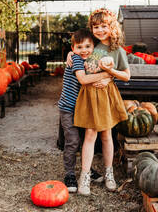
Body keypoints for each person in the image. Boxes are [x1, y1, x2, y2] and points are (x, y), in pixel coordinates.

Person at [74, 8, 131, 196]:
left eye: (104, 26)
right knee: (90, 135)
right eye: (96, 27)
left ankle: (109, 173)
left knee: (107, 135)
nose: (99, 30)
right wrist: (70, 55)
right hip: (90, 95)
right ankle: (84, 176)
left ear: (111, 27)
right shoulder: (90, 45)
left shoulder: (117, 51)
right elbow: (76, 51)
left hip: (106, 95)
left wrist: (110, 74)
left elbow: (126, 76)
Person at [58, 29, 112, 193]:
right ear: (73, 48)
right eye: (79, 47)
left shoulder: (92, 59)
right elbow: (83, 79)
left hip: (83, 109)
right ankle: (69, 174)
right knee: (72, 141)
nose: (84, 50)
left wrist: (109, 75)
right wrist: (106, 75)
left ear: (93, 46)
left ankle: (86, 170)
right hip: (69, 108)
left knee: (85, 141)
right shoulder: (76, 59)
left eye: (87, 46)